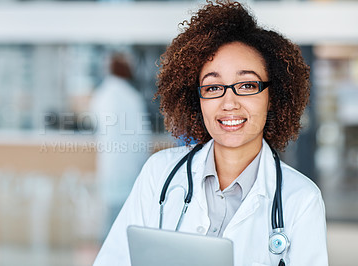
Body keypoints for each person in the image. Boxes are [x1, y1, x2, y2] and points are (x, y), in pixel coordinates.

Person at [93, 1, 327, 265]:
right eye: (214, 87)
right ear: (197, 100)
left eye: (247, 85)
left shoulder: (301, 199)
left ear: (272, 96)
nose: (229, 102)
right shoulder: (159, 175)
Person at [90, 52, 150, 239]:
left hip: (111, 165)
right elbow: (142, 136)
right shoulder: (131, 97)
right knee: (126, 221)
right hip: (130, 166)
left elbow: (96, 125)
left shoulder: (102, 95)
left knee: (111, 221)